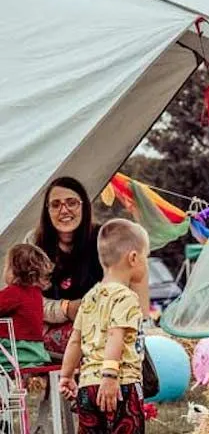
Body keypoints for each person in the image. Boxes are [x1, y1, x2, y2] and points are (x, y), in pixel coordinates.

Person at [28, 176, 149, 355]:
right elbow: (28, 300)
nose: (64, 210)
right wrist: (66, 308)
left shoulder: (105, 238)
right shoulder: (34, 244)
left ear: (84, 206)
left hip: (105, 329)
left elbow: (134, 281)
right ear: (47, 211)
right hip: (52, 338)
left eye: (71, 203)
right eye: (55, 205)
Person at [59, 219, 148, 434]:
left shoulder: (90, 297)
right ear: (133, 258)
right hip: (120, 385)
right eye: (147, 257)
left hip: (87, 386)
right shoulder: (126, 297)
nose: (146, 263)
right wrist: (110, 376)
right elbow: (115, 335)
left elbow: (75, 340)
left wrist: (66, 376)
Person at [0, 244, 53, 372]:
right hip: (35, 355)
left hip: (14, 356)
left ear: (13, 270)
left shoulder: (14, 292)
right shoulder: (36, 294)